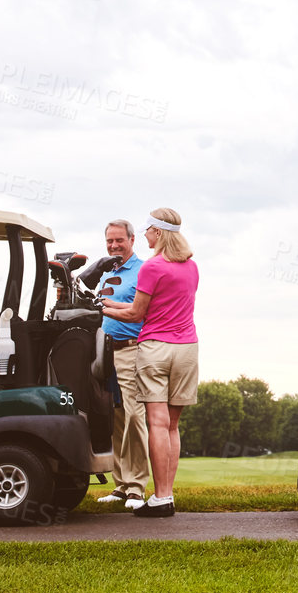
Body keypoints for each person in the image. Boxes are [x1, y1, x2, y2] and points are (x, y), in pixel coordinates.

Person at [101, 207, 198, 518]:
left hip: (156, 349)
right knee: (172, 426)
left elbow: (136, 314)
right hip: (187, 349)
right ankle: (166, 495)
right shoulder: (191, 267)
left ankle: (160, 496)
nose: (145, 235)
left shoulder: (152, 267)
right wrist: (109, 302)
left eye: (147, 230)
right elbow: (150, 305)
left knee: (154, 423)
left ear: (158, 233)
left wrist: (102, 311)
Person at [91, 220, 147, 509]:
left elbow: (144, 312)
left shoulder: (143, 271)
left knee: (135, 416)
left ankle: (137, 486)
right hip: (104, 352)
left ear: (132, 240)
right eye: (109, 241)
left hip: (132, 349)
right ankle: (121, 486)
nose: (114, 246)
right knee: (114, 418)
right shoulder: (105, 273)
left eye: (119, 240)